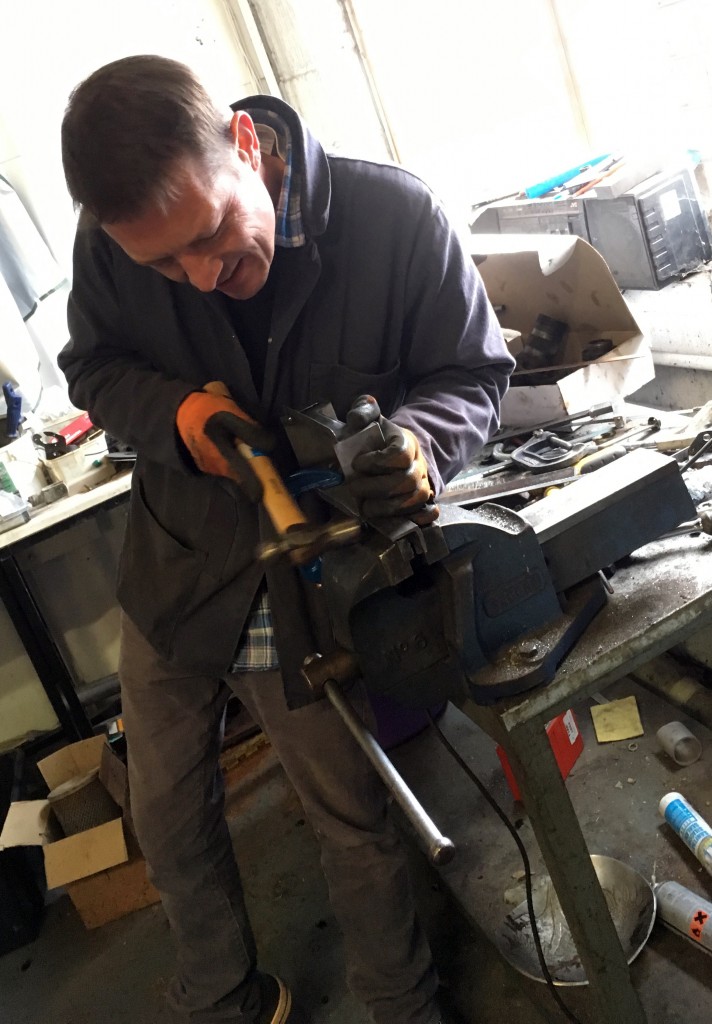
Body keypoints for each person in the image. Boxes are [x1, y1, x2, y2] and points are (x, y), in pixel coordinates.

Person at [58, 55, 514, 1024]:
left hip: (319, 577)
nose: (202, 277)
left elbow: (472, 373)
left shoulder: (393, 219)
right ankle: (224, 996)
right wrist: (176, 412)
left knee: (350, 820)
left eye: (214, 235)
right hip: (179, 570)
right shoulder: (112, 241)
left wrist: (423, 446)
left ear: (246, 144)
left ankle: (401, 1004)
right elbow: (93, 365)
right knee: (168, 819)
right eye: (166, 267)